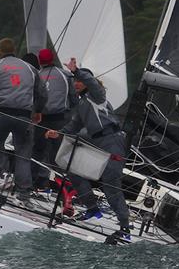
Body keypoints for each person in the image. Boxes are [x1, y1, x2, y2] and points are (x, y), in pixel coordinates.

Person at [45, 58, 130, 239]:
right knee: (73, 171)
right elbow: (74, 126)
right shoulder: (82, 103)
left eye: (79, 81)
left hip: (113, 143)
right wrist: (57, 133)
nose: (76, 84)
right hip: (97, 144)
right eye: (75, 81)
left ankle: (125, 228)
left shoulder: (97, 97)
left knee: (110, 186)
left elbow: (92, 82)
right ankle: (93, 209)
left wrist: (77, 71)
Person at [0, 38, 46, 199]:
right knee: (23, 155)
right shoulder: (30, 69)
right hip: (24, 117)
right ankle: (24, 193)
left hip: (2, 115)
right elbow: (42, 94)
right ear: (14, 50)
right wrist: (38, 111)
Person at [32, 48, 77, 188]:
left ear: (40, 61)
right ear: (52, 59)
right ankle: (62, 188)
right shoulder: (65, 75)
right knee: (59, 154)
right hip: (60, 119)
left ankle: (37, 183)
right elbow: (74, 99)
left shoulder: (37, 75)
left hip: (41, 119)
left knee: (38, 151)